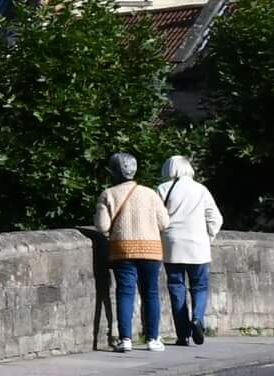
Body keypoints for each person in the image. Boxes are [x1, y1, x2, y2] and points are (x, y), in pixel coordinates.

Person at [96, 151, 168, 352]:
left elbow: (102, 226)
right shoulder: (150, 194)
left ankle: (125, 338)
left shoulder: (108, 194)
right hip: (151, 249)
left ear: (114, 171)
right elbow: (165, 222)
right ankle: (153, 339)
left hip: (123, 249)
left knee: (125, 293)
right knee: (151, 293)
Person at [159, 153, 224, 347]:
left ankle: (182, 335)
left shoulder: (163, 189)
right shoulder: (201, 189)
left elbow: (158, 218)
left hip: (172, 245)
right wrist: (208, 237)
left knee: (176, 288)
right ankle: (197, 319)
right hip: (198, 246)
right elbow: (215, 219)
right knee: (200, 286)